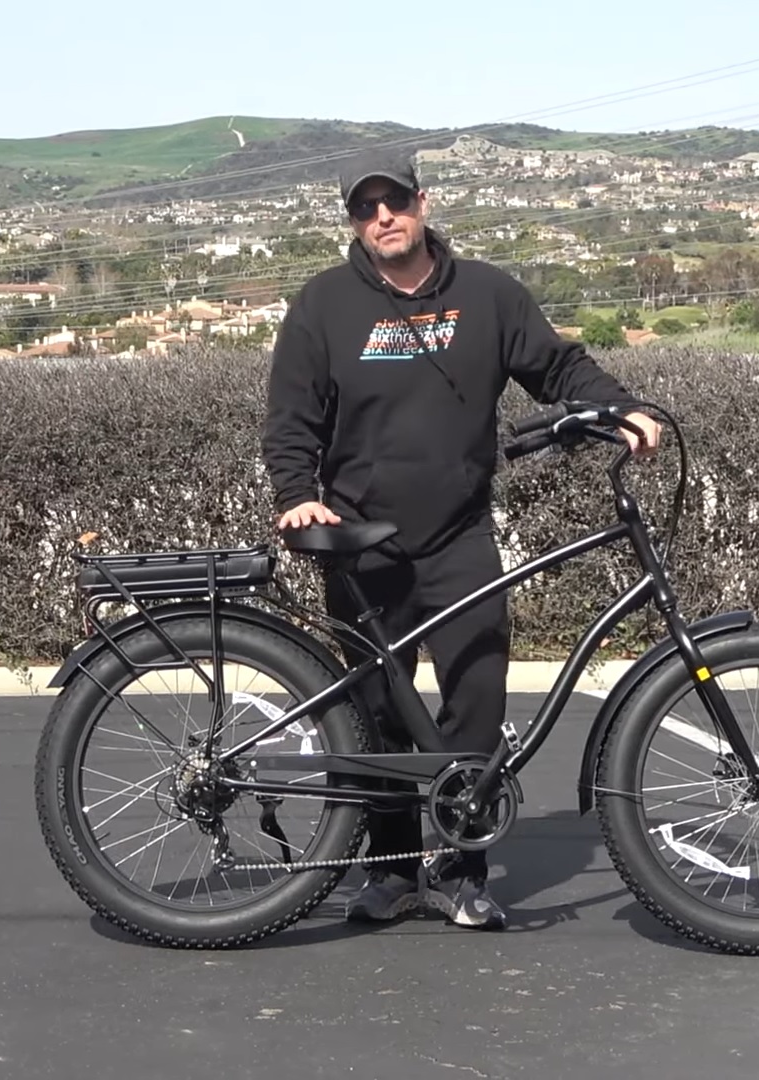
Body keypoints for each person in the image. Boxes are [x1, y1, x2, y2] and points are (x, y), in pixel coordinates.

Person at [259, 147, 660, 930]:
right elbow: (292, 418)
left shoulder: (486, 295)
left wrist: (623, 408)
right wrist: (297, 497)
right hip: (360, 538)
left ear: (422, 201)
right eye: (364, 206)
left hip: (459, 536)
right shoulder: (323, 305)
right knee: (374, 714)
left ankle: (463, 869)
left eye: (395, 200)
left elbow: (558, 367)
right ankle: (393, 871)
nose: (382, 216)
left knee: (475, 703)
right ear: (352, 218)